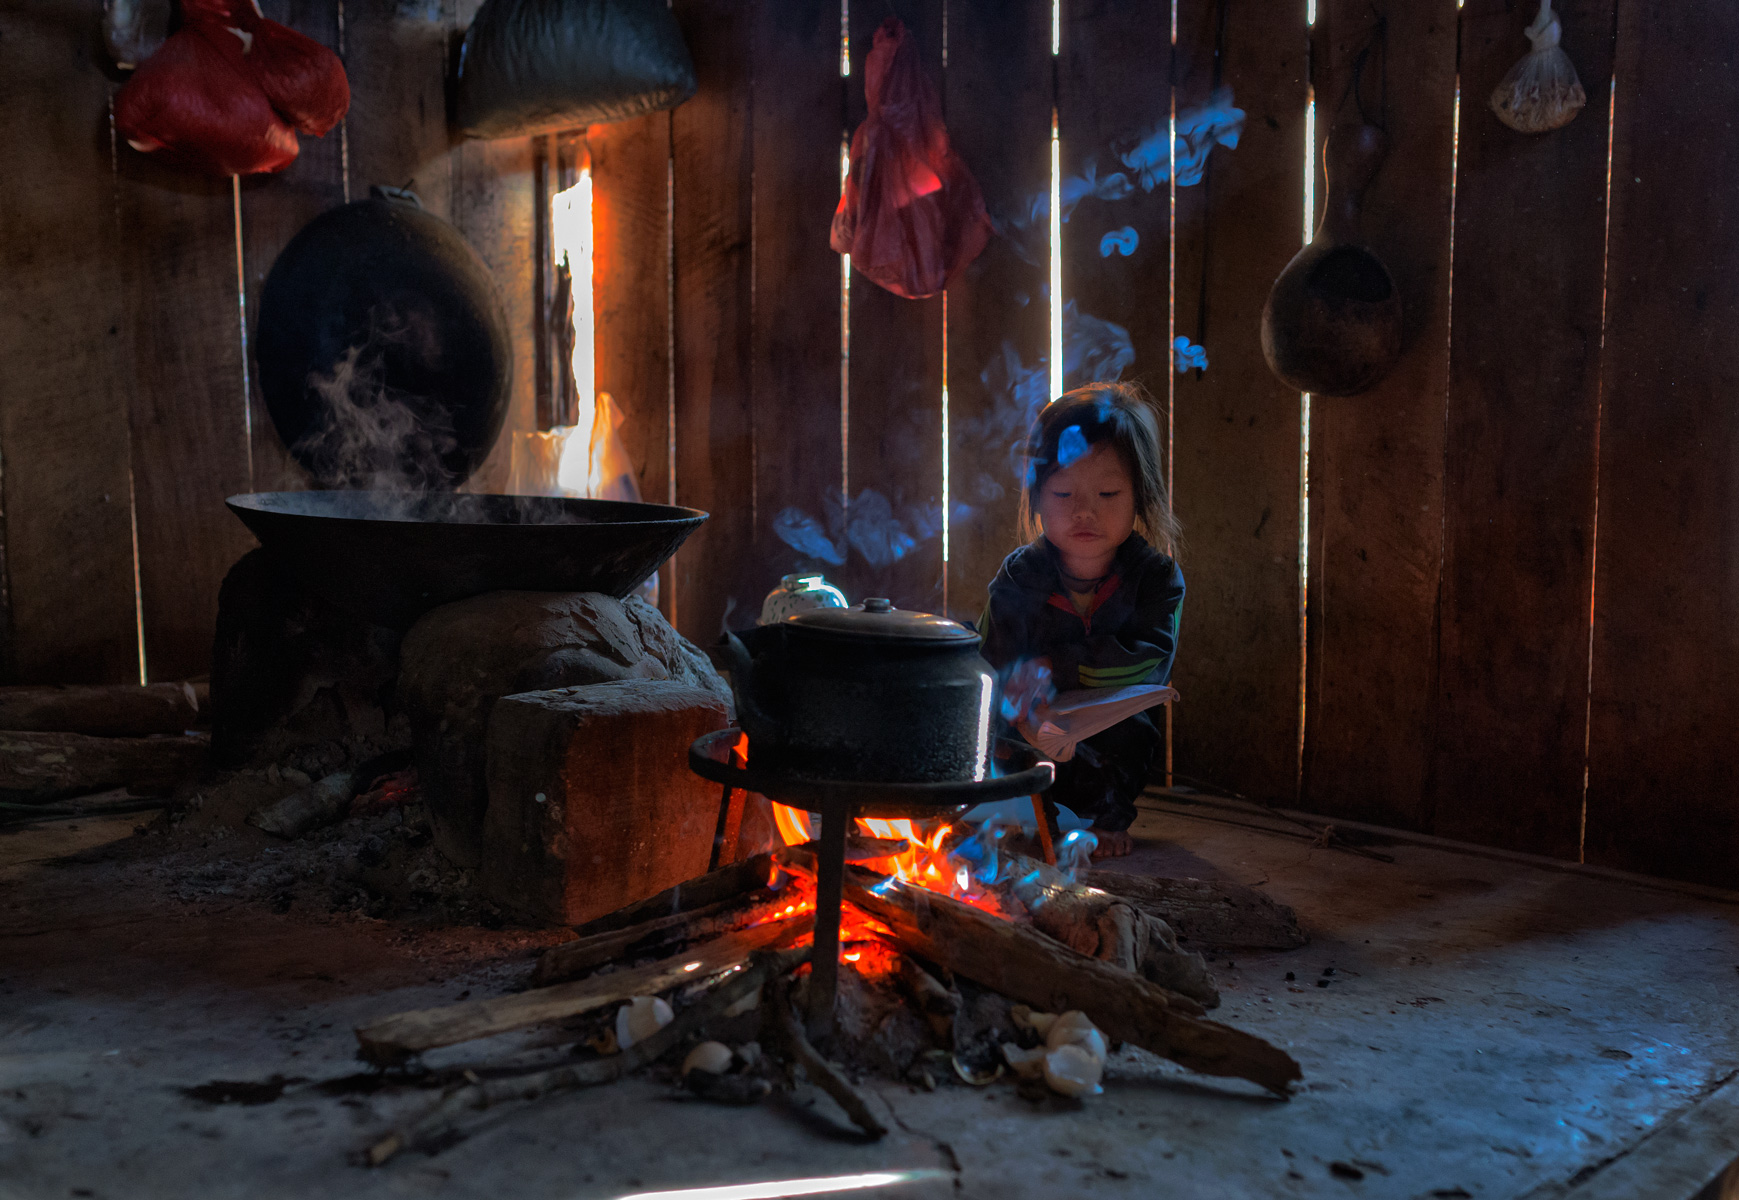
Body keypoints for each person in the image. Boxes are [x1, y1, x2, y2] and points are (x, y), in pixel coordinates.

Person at [978, 381, 1184, 858]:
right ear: (1037, 496)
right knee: (1007, 739)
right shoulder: (1020, 574)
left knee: (1131, 729)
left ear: (1140, 495)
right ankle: (1037, 814)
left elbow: (1146, 660)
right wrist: (1025, 701)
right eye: (1064, 492)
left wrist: (1053, 669)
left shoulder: (1156, 578)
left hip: (1109, 733)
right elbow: (992, 657)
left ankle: (1107, 818)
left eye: (1108, 493)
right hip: (1032, 727)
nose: (1085, 511)